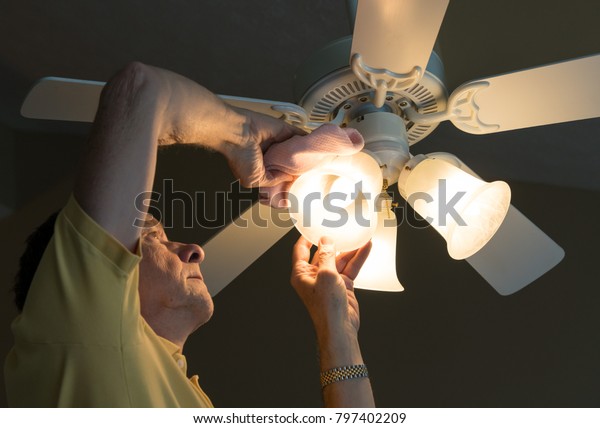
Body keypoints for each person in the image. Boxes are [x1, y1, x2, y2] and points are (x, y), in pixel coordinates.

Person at [4, 63, 375, 407]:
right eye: (154, 237)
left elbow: (142, 91)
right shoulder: (79, 327)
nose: (196, 250)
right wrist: (238, 134)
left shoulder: (178, 392)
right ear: (69, 282)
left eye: (153, 237)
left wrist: (337, 332)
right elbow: (137, 89)